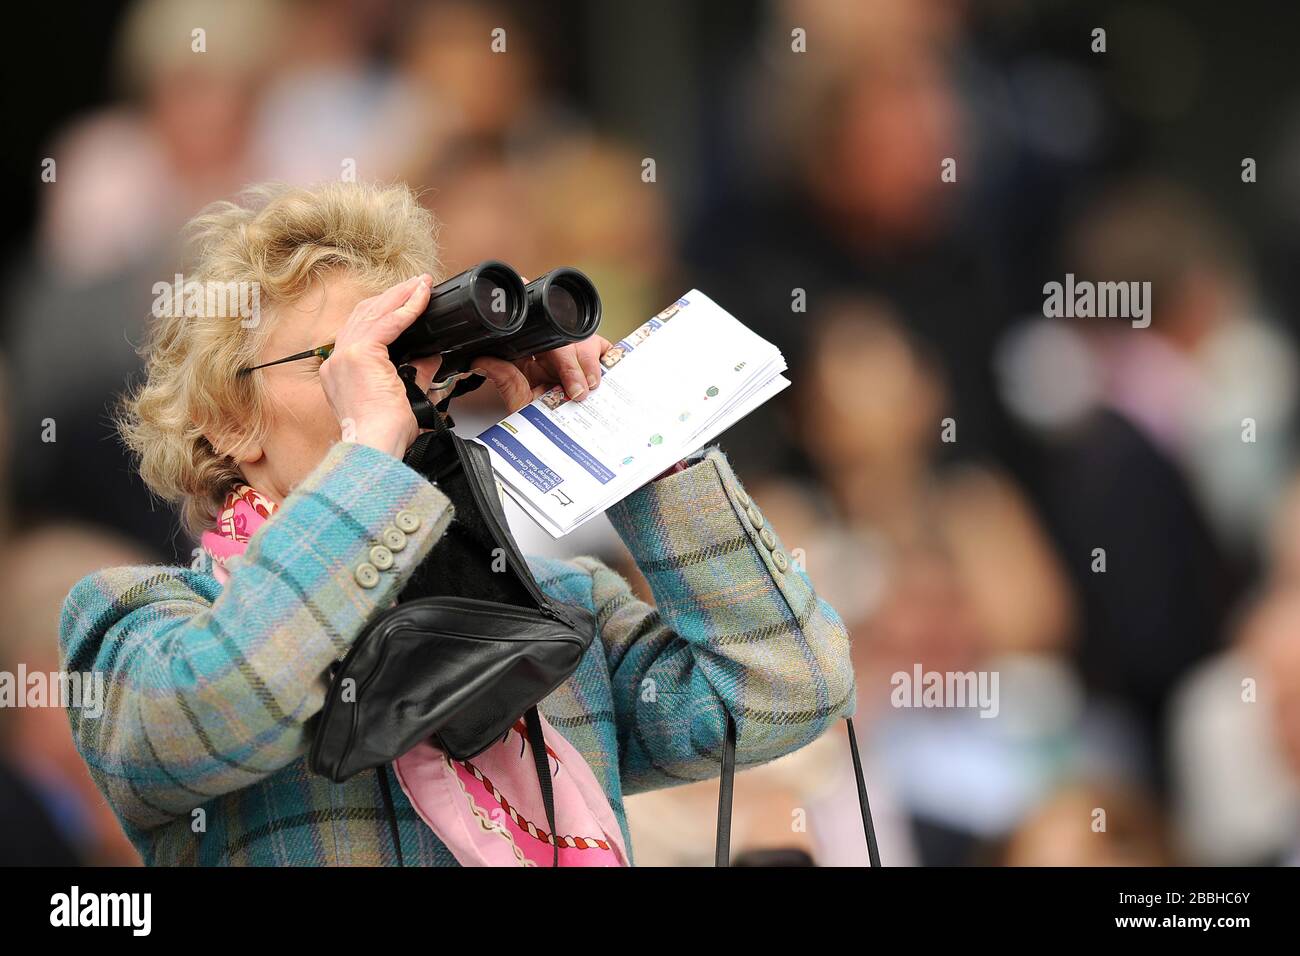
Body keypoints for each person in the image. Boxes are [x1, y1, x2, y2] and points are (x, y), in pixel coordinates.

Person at [57, 181, 856, 866]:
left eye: (408, 357)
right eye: (339, 360)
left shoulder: (550, 610)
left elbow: (786, 688)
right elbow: (223, 706)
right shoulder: (139, 620)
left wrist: (631, 445)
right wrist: (367, 450)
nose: (394, 389)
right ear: (231, 423)